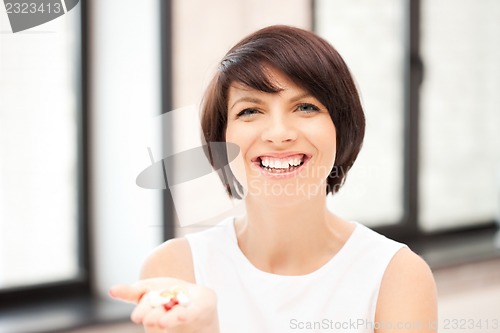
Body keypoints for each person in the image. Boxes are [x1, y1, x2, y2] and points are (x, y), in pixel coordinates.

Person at [109, 25, 437, 333]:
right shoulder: (176, 270)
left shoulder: (397, 275)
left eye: (306, 107)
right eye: (250, 111)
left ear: (342, 127)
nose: (279, 134)